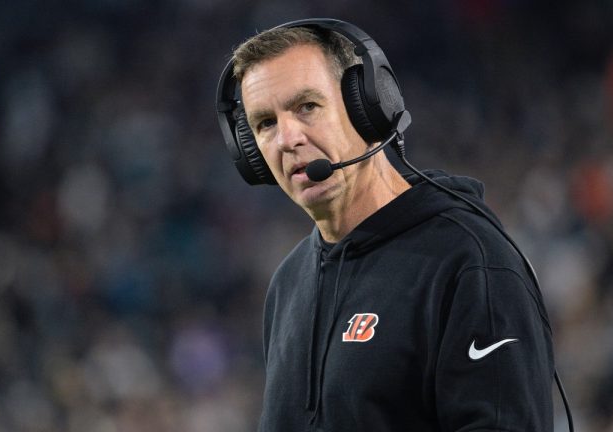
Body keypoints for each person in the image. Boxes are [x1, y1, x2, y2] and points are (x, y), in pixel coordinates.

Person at [216, 19, 556, 431]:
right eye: (265, 124)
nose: (287, 138)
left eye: (307, 106)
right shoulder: (288, 283)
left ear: (367, 109)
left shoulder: (471, 262)